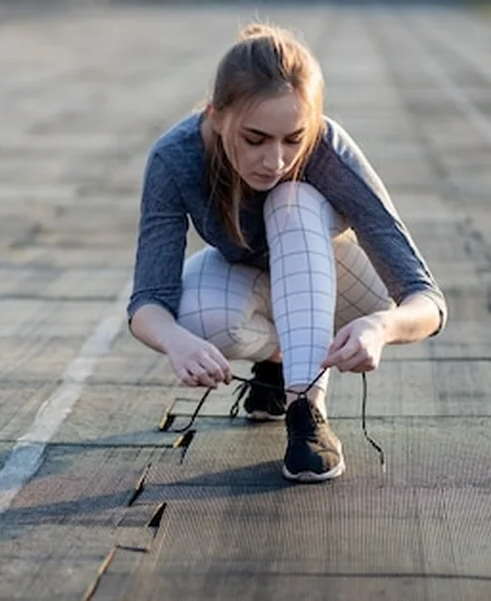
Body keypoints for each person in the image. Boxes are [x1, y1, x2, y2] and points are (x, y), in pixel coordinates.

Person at [127, 22, 447, 483]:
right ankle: (279, 362)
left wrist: (382, 328)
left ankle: (307, 411)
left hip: (341, 285)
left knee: (289, 200)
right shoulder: (175, 158)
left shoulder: (327, 148)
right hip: (260, 287)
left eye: (293, 139)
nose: (275, 161)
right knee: (194, 319)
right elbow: (147, 301)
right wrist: (177, 343)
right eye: (255, 139)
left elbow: (427, 300)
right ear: (217, 116)